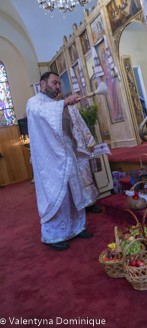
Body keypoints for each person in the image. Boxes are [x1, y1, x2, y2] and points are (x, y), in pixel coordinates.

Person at [26, 71, 101, 251]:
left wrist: (67, 106)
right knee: (58, 196)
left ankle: (77, 227)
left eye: (59, 83)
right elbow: (40, 113)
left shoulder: (57, 103)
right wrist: (63, 104)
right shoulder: (35, 102)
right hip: (50, 160)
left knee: (74, 191)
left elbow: (73, 125)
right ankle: (53, 235)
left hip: (67, 154)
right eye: (54, 83)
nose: (58, 87)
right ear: (42, 84)